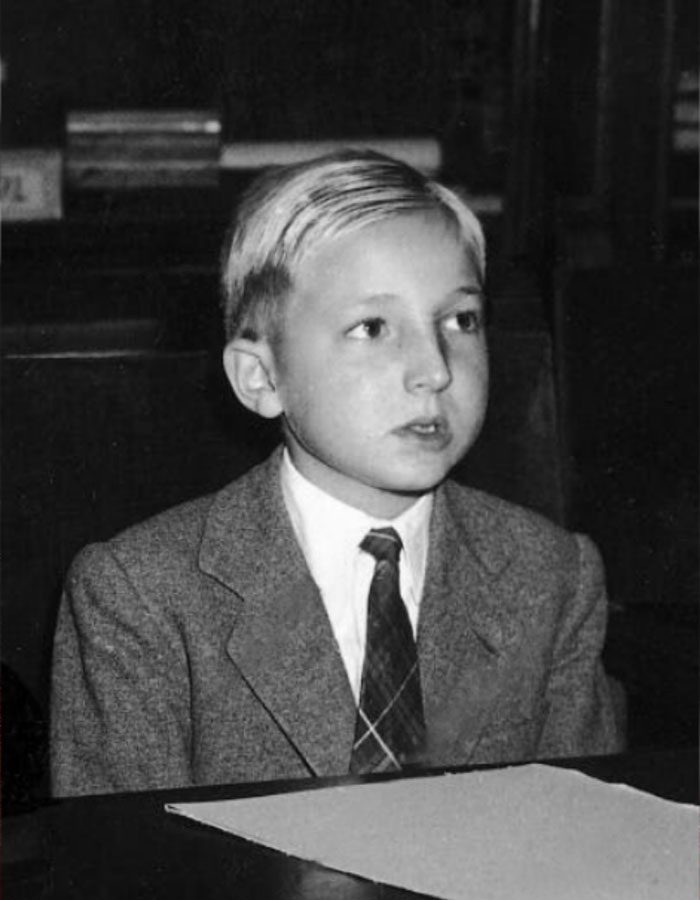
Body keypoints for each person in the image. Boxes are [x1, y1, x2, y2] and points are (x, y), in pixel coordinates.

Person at [50, 150, 624, 796]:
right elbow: (121, 872)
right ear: (262, 378)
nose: (434, 368)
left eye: (461, 320)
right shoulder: (143, 596)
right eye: (373, 328)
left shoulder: (551, 576)